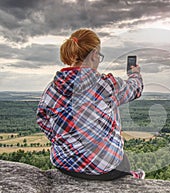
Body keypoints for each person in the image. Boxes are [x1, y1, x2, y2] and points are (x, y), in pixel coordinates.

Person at [36, 29, 145, 180]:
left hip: (64, 165)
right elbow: (136, 89)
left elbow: (42, 120)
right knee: (122, 160)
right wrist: (135, 74)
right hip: (102, 168)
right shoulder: (107, 85)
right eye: (99, 56)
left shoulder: (52, 88)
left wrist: (67, 142)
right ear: (94, 54)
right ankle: (131, 177)